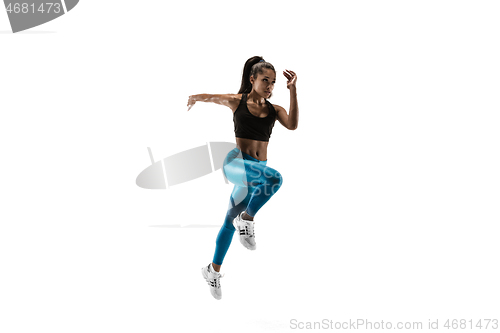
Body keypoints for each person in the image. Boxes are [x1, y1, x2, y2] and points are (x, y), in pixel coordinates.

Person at [187, 56, 299, 300]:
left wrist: (293, 91)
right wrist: (195, 97)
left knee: (228, 222)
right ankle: (247, 218)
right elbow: (213, 97)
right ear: (252, 79)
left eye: (274, 83)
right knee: (274, 179)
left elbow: (292, 125)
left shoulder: (274, 110)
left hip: (258, 170)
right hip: (237, 165)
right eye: (265, 81)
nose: (270, 86)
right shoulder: (237, 101)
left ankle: (212, 270)